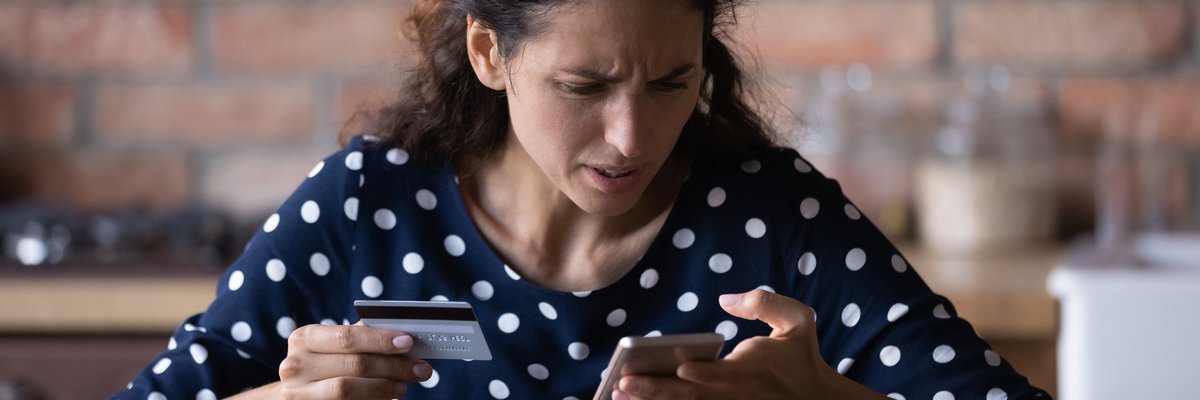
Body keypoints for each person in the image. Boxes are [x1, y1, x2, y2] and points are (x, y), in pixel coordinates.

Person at [114, 0, 1051, 399]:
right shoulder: (366, 209)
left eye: (671, 83)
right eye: (583, 86)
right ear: (491, 54)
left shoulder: (779, 219)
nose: (632, 139)